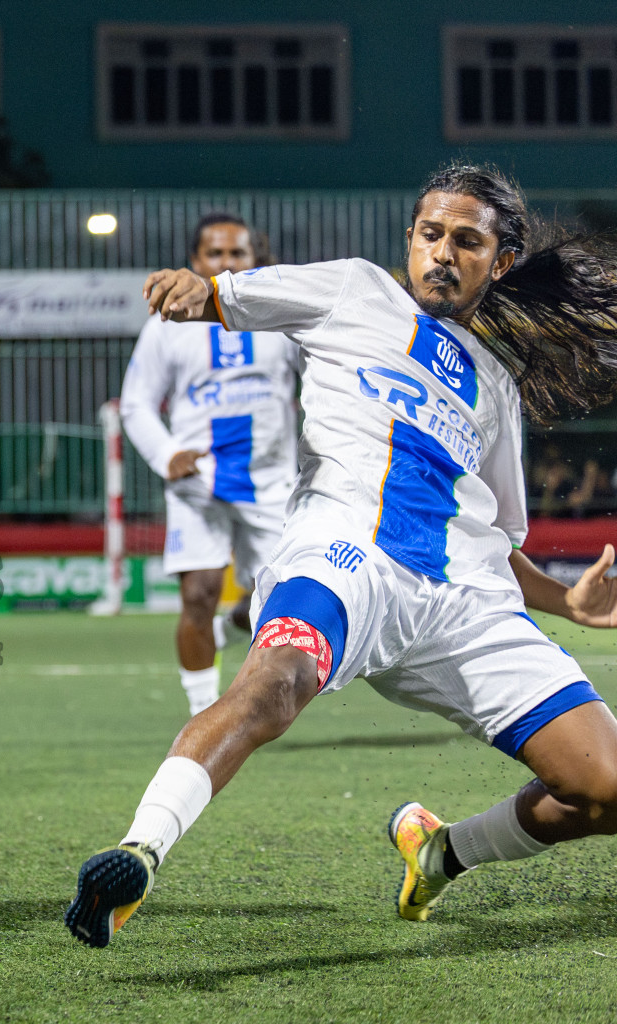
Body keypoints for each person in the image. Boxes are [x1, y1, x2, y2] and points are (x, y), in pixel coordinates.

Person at [66, 163, 617, 948]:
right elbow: (228, 296)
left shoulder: (496, 385)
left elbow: (494, 538)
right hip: (345, 553)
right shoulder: (356, 291)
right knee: (273, 687)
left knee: (604, 788)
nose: (442, 254)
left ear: (499, 263)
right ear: (409, 239)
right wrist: (198, 294)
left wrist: (569, 602)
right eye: (431, 234)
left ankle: (442, 850)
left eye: (466, 241)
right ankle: (138, 852)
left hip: (465, 603)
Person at [118, 213, 299, 715]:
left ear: (253, 259)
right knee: (199, 593)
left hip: (271, 480)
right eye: (214, 254)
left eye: (236, 254)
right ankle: (203, 716)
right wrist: (166, 454)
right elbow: (136, 402)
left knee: (282, 605)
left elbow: (322, 380)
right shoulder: (167, 324)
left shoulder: (281, 316)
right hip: (199, 480)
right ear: (196, 261)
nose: (225, 262)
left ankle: (230, 626)